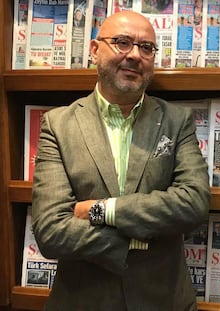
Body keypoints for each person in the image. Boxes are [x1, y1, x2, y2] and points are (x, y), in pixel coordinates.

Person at [31, 11, 210, 311]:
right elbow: (51, 231)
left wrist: (104, 210)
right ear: (94, 50)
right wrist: (136, 241)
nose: (135, 55)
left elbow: (194, 203)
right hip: (83, 301)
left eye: (146, 48)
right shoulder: (58, 125)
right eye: (122, 42)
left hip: (163, 301)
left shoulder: (176, 121)